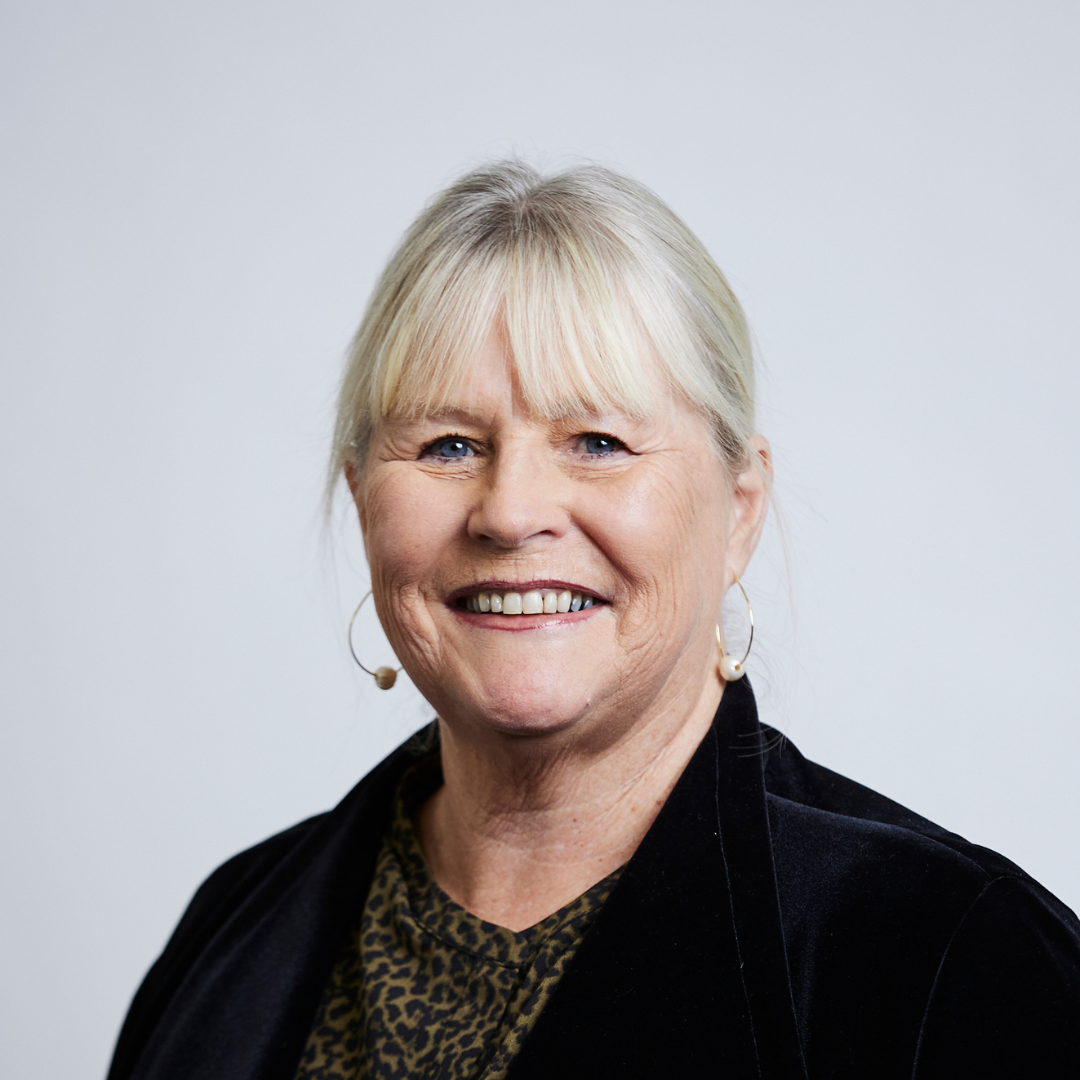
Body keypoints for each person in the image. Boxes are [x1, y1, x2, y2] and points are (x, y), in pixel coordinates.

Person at [107, 161, 1080, 1080]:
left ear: (737, 511)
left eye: (599, 442)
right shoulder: (233, 931)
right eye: (448, 445)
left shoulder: (954, 957)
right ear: (364, 499)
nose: (509, 509)